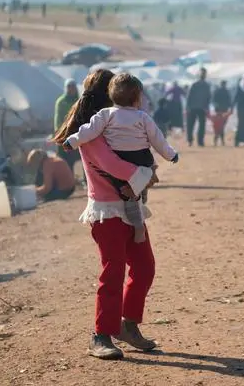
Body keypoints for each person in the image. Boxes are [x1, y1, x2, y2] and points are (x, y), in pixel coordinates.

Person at [53, 69, 160, 360]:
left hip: (130, 207)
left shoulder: (115, 127)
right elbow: (111, 164)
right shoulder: (90, 133)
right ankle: (100, 335)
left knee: (144, 267)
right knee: (113, 272)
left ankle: (127, 325)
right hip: (107, 210)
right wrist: (144, 173)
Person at [63, 73, 178, 239]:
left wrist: (71, 141)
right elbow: (157, 139)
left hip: (121, 158)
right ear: (137, 98)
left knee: (129, 192)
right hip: (140, 160)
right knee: (141, 181)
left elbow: (88, 131)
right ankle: (138, 211)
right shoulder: (142, 117)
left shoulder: (105, 115)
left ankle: (137, 209)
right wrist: (171, 155)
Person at [55, 79, 81, 172]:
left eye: (73, 87)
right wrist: (59, 133)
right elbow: (58, 119)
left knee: (83, 158)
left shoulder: (79, 100)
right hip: (65, 133)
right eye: (69, 87)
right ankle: (69, 181)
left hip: (78, 133)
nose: (71, 89)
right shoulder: (61, 101)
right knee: (66, 161)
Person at [186, 68, 211, 147]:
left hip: (199, 108)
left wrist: (207, 107)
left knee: (197, 126)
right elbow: (189, 96)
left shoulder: (203, 85)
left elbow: (208, 97)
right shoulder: (197, 84)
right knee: (193, 125)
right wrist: (188, 106)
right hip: (196, 107)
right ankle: (194, 141)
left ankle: (197, 141)